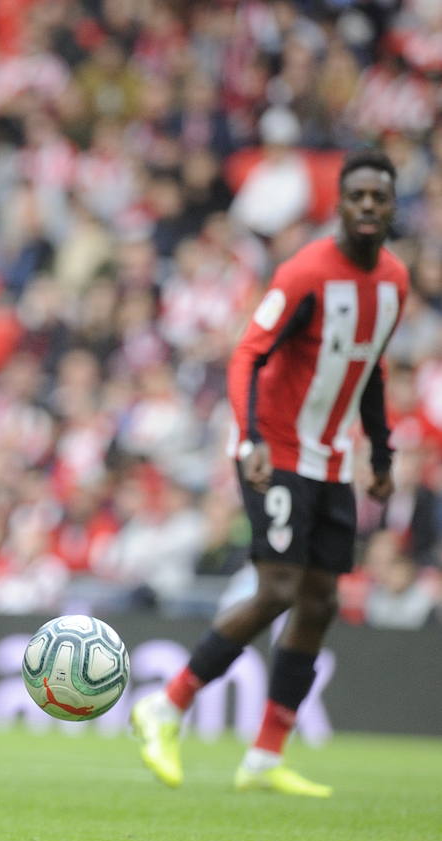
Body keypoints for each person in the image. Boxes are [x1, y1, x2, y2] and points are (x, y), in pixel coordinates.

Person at [130, 148, 407, 797]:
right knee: (279, 587)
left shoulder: (393, 281)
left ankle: (264, 756)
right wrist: (250, 436)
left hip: (333, 458)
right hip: (275, 448)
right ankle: (166, 704)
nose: (368, 206)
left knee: (321, 601)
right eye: (357, 195)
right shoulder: (308, 272)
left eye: (380, 197)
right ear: (339, 203)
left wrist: (384, 455)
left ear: (393, 206)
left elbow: (371, 370)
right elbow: (249, 352)